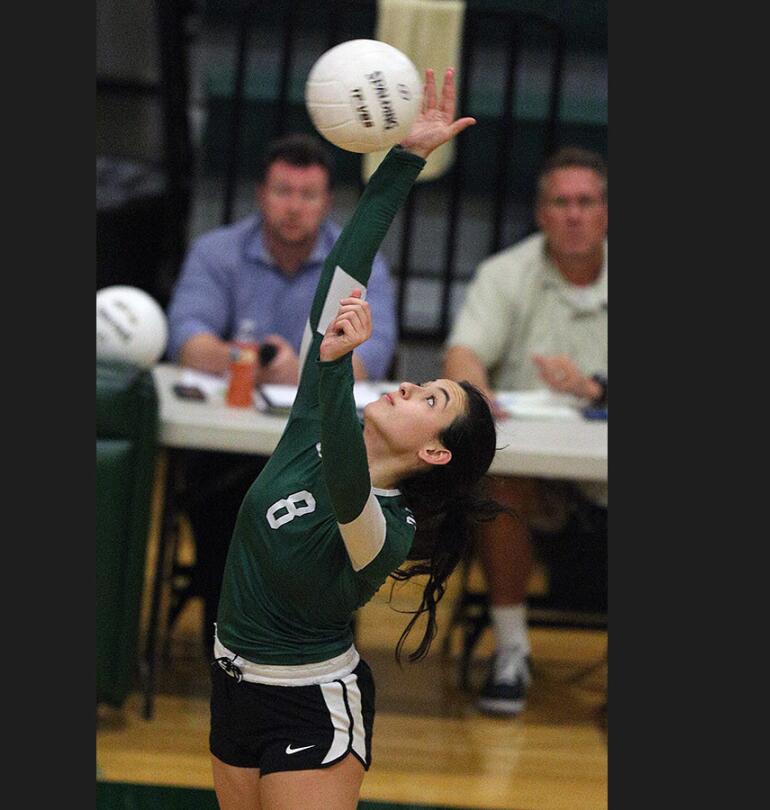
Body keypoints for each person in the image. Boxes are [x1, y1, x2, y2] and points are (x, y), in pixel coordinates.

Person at [210, 68, 496, 810]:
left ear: (435, 452)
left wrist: (331, 365)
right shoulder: (313, 423)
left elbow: (345, 477)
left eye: (429, 397)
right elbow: (341, 279)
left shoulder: (387, 531)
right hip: (232, 683)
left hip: (310, 705)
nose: (406, 385)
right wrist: (404, 163)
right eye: (418, 380)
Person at [165, 134, 400, 656]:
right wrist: (251, 360)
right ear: (260, 194)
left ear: (327, 202)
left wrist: (309, 368)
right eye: (282, 191)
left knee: (340, 500)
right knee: (218, 491)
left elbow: (374, 356)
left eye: (308, 194)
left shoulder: (359, 267)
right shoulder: (218, 251)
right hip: (227, 445)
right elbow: (185, 336)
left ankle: (324, 640)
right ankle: (223, 638)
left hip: (321, 448)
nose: (294, 207)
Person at [442, 146, 608, 717]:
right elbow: (463, 352)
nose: (574, 215)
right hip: (538, 478)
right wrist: (475, 391)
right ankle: (512, 650)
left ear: (606, 212)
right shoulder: (505, 274)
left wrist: (597, 390)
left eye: (586, 202)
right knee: (499, 486)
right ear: (541, 214)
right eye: (561, 203)